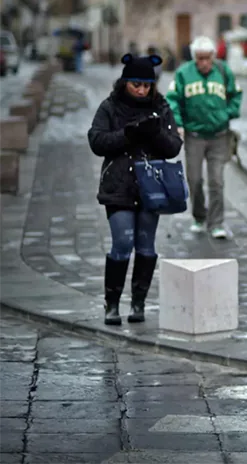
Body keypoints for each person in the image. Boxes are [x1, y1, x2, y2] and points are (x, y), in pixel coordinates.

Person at [87, 53, 183, 326]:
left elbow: (174, 145)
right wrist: (127, 134)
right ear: (125, 82)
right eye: (136, 84)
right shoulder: (110, 106)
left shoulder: (161, 106)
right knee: (122, 242)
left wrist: (155, 133)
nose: (142, 90)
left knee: (146, 245)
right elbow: (96, 140)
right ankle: (112, 304)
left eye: (146, 85)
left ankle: (138, 302)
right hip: (119, 185)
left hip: (151, 187)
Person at [166, 35, 243, 239]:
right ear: (194, 58)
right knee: (195, 179)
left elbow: (236, 95)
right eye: (200, 58)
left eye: (207, 58)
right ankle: (199, 216)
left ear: (213, 56)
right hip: (194, 136)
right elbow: (172, 100)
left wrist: (227, 114)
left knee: (216, 181)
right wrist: (178, 123)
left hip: (219, 135)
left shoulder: (223, 71)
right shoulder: (183, 73)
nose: (204, 63)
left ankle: (216, 222)